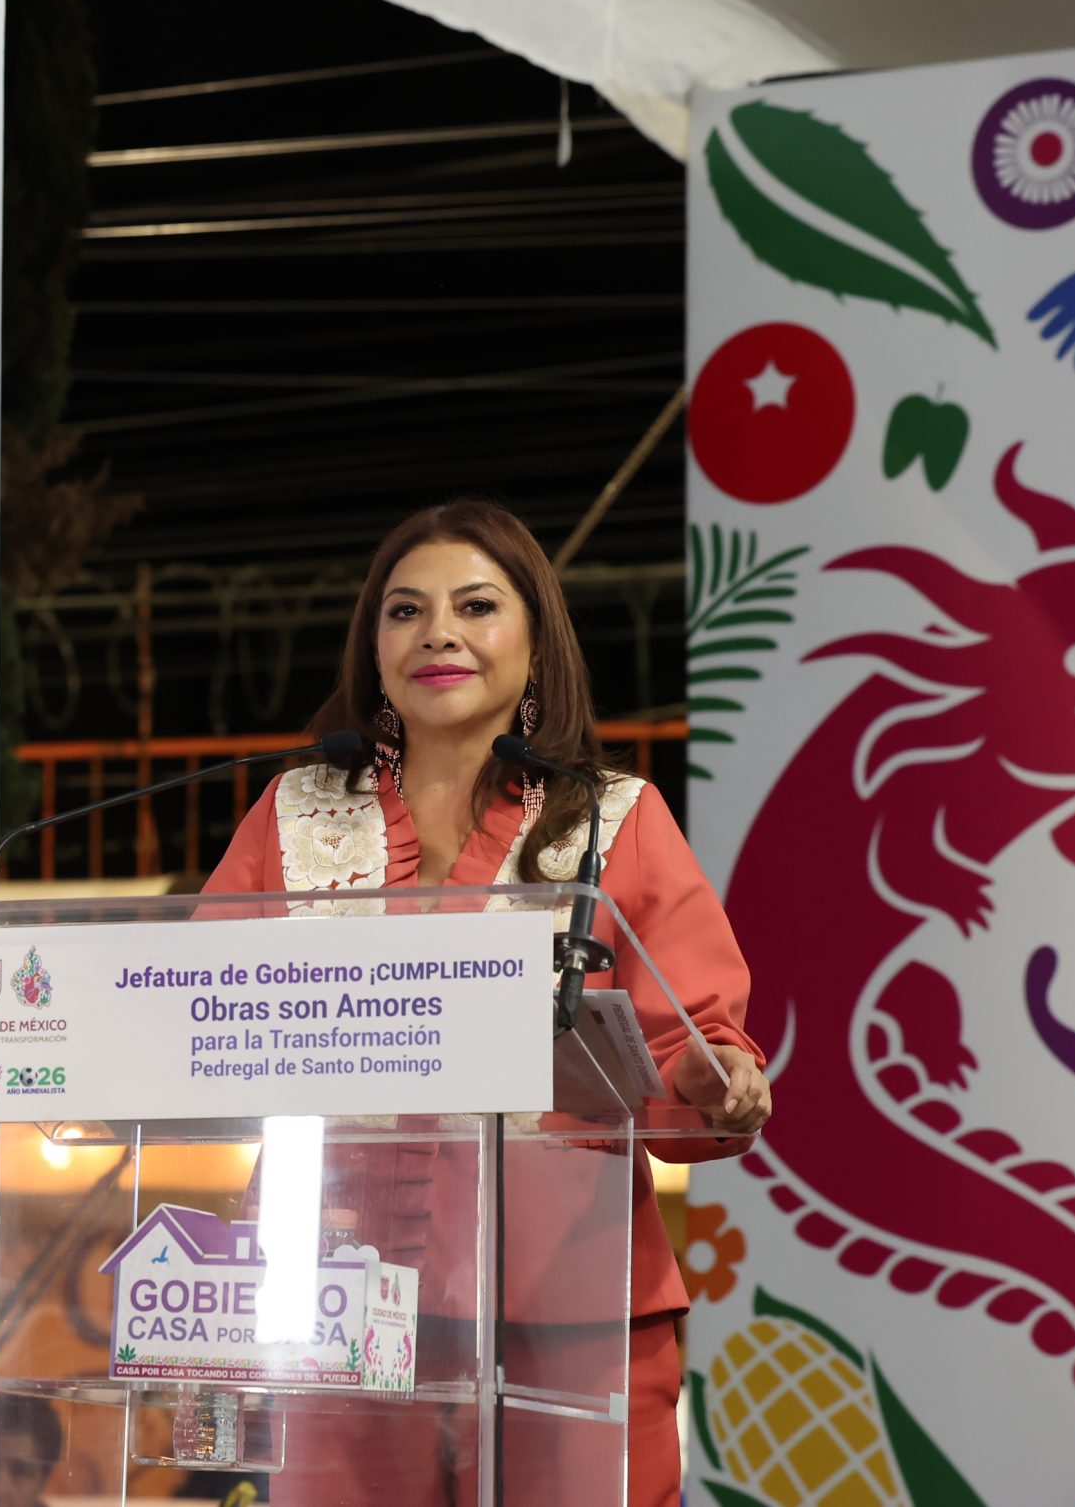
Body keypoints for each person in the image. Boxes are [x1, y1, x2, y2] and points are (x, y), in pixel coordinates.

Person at [202, 500, 771, 1507]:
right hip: (330, 1304)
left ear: (535, 646)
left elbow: (697, 1049)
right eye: (405, 611)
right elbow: (192, 1018)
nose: (438, 634)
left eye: (475, 606)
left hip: (566, 1314)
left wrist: (708, 1075)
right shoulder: (289, 813)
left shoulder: (613, 820)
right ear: (374, 648)